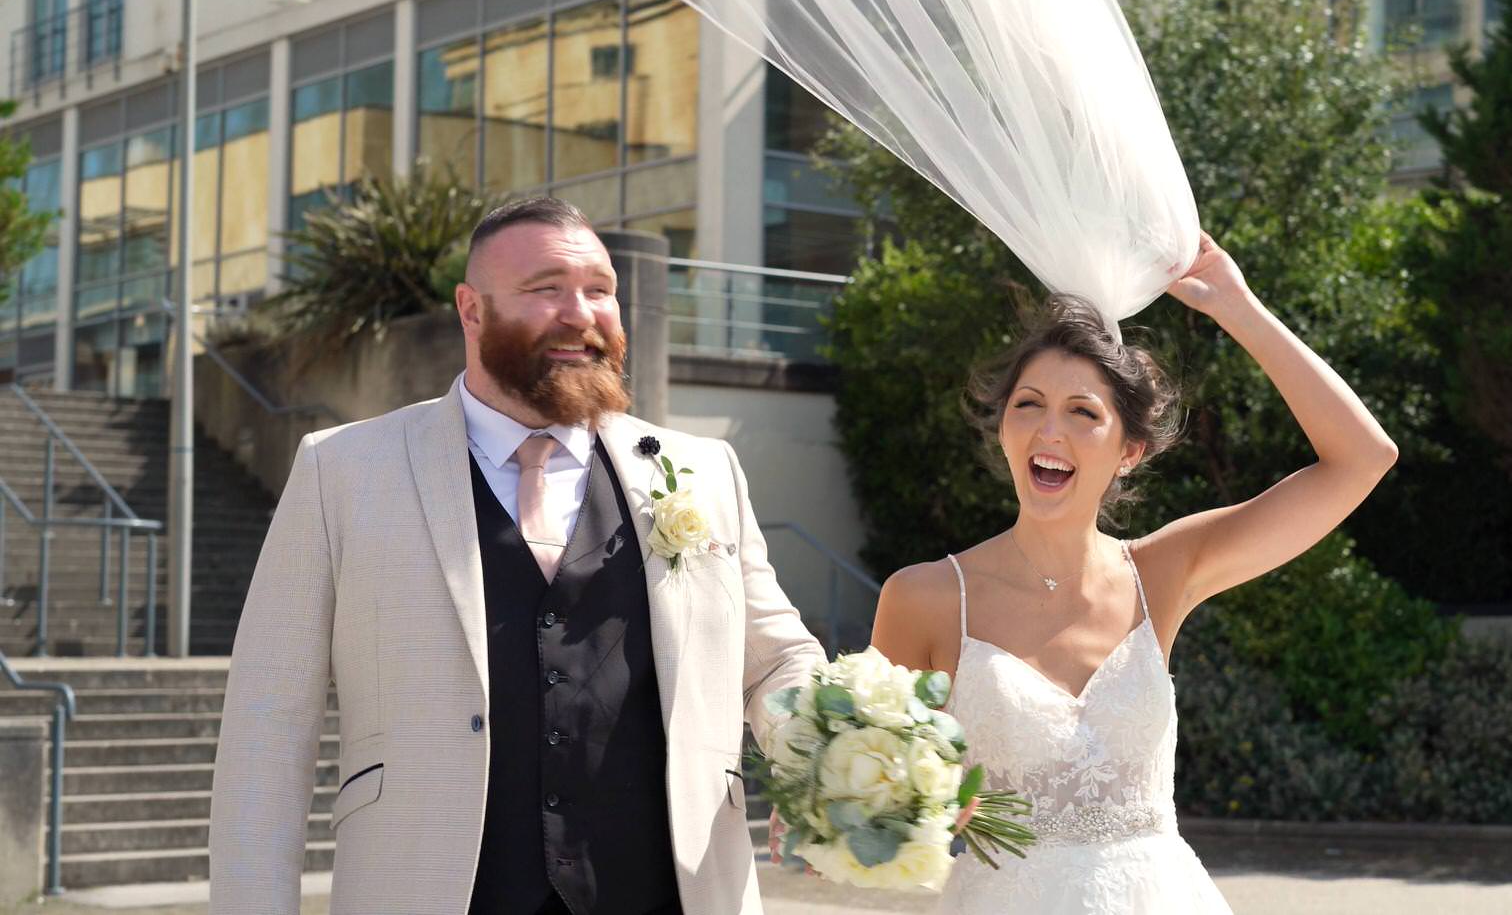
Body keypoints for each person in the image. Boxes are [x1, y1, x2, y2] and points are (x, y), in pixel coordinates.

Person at [210, 196, 824, 915]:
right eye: (547, 290)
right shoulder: (342, 470)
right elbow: (267, 728)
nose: (582, 312)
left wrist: (826, 752)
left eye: (601, 290)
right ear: (471, 310)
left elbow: (780, 660)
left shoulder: (704, 469)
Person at [870, 232, 1399, 914]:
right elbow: (876, 797)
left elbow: (1362, 458)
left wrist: (1240, 308)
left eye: (1083, 412)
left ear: (1130, 451)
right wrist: (857, 810)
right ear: (1002, 427)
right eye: (1028, 403)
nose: (1048, 431)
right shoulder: (925, 598)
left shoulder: (1164, 571)